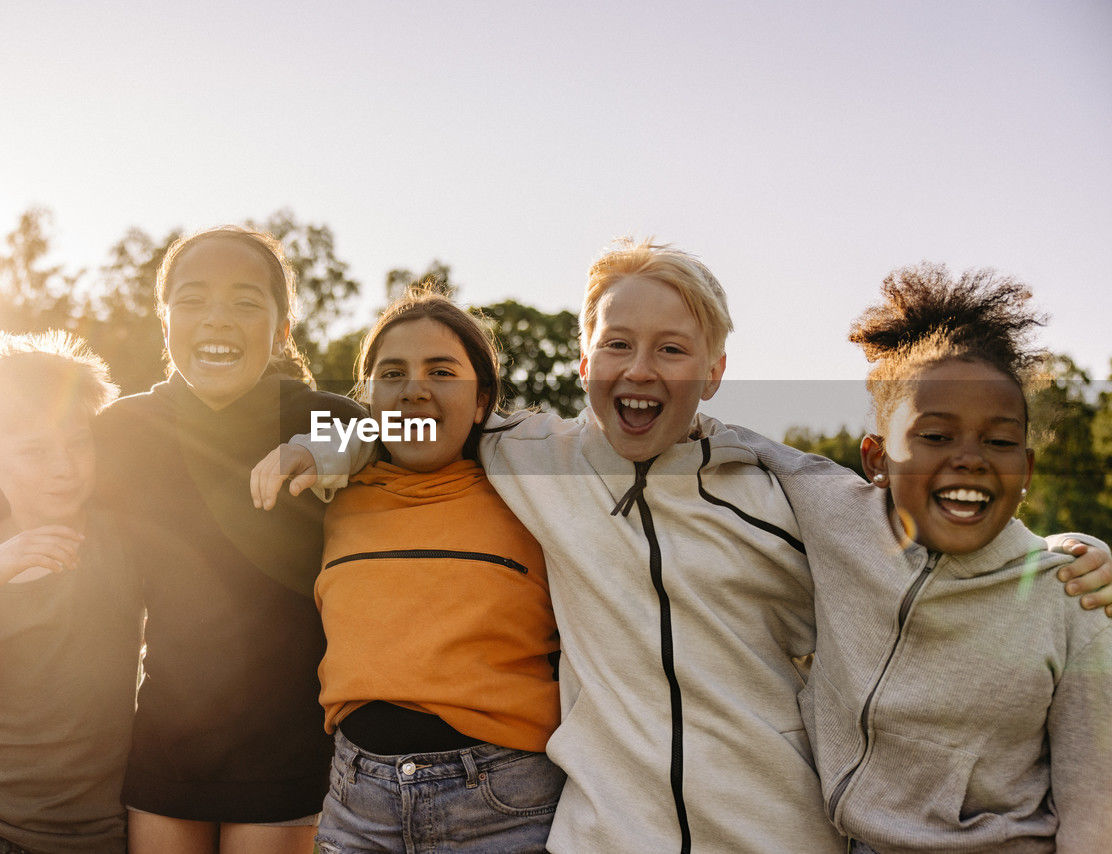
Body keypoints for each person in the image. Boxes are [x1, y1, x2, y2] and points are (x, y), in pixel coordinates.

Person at [259, 239, 1112, 853]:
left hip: (770, 835)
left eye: (672, 350)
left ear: (713, 372)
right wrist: (324, 444)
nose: (640, 369)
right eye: (618, 345)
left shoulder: (786, 490)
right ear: (583, 357)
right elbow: (417, 408)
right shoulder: (530, 452)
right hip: (598, 836)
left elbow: (937, 515)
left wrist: (1063, 553)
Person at [0, 226, 365, 854]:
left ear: (283, 328)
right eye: (192, 300)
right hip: (165, 738)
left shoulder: (318, 415)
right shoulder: (129, 427)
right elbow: (10, 478)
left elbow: (373, 429)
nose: (218, 318)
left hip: (284, 739)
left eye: (246, 301)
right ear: (164, 323)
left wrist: (311, 449)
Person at [736, 265, 1112, 852]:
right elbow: (724, 441)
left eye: (1000, 441)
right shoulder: (831, 514)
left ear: (1027, 472)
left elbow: (1096, 807)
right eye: (936, 436)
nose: (971, 459)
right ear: (877, 459)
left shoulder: (1073, 597)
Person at [255, 287, 564, 852]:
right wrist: (315, 449)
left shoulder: (530, 497)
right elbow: (351, 442)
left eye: (442, 371)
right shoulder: (337, 496)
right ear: (369, 397)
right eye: (392, 373)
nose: (416, 387)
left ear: (480, 401)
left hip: (503, 804)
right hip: (358, 802)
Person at [0, 331, 139, 854]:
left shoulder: (120, 537)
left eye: (78, 443)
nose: (64, 466)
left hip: (103, 831)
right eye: (35, 451)